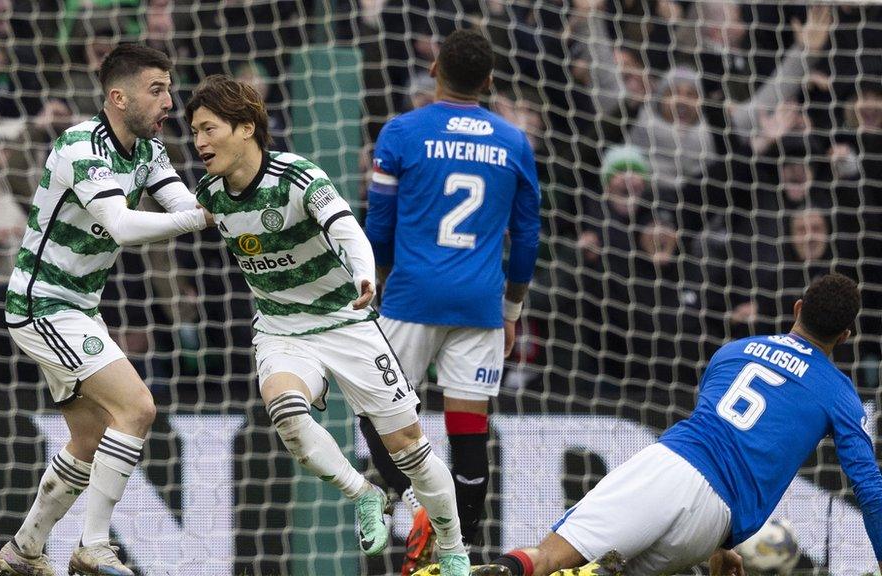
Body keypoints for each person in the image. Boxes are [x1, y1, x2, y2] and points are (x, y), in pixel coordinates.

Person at [185, 74, 471, 576]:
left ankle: (452, 548)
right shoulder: (210, 192)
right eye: (194, 132)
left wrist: (364, 273)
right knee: (288, 417)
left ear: (246, 127)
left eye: (208, 129)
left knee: (410, 448)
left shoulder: (297, 177)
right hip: (280, 329)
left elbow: (346, 229)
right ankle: (364, 493)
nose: (199, 143)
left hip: (345, 322)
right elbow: (170, 221)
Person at [460, 274, 882, 576]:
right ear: (845, 336)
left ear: (797, 309)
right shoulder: (840, 395)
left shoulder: (735, 351)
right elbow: (870, 489)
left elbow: (722, 437)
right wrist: (719, 545)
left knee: (550, 557)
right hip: (716, 523)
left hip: (673, 467)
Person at [0, 44, 211, 576]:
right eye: (156, 89)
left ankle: (23, 552)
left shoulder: (150, 153)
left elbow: (186, 207)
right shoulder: (79, 146)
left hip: (81, 308)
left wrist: (224, 203)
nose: (168, 100)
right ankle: (93, 546)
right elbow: (124, 226)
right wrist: (201, 219)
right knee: (137, 409)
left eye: (169, 88)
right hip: (41, 304)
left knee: (89, 439)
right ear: (118, 97)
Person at [362, 28, 542, 575]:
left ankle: (390, 489)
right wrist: (512, 312)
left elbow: (380, 226)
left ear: (434, 67)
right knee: (470, 432)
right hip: (480, 306)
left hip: (412, 297)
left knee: (380, 408)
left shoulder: (401, 132)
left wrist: (378, 283)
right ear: (489, 81)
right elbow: (528, 238)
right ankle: (455, 554)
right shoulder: (513, 142)